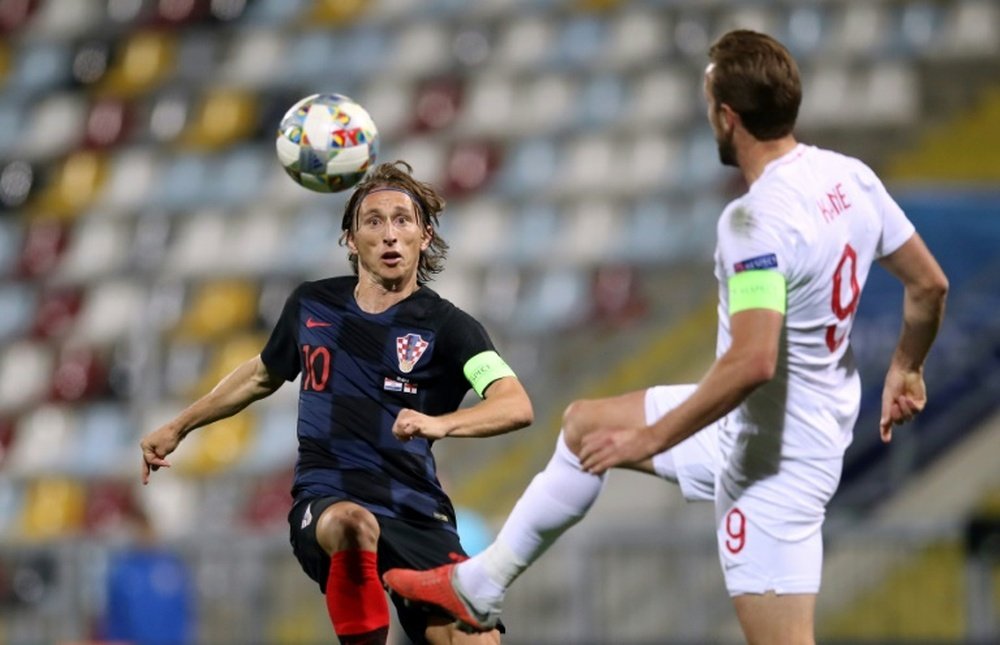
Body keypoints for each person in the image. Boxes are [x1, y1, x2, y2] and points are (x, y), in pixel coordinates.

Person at [383, 29, 949, 644]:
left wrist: (649, 439)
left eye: (709, 102)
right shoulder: (851, 179)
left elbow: (752, 361)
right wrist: (908, 366)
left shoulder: (755, 221)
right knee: (586, 427)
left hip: (774, 467)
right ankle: (481, 585)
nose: (708, 115)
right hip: (767, 425)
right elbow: (929, 286)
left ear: (728, 117)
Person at [139, 161, 534, 645]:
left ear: (425, 236)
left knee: (475, 642)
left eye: (402, 220)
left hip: (414, 509)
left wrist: (442, 424)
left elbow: (514, 404)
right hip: (329, 497)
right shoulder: (312, 305)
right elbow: (264, 373)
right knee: (352, 524)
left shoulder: (450, 328)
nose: (389, 234)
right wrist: (179, 426)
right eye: (373, 221)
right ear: (350, 239)